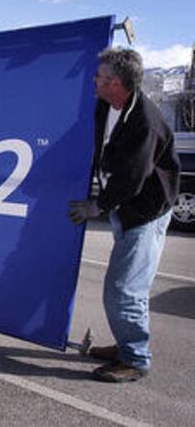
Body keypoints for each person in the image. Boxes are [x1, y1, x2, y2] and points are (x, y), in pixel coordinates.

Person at [68, 47, 180, 383]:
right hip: (124, 207)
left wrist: (96, 206)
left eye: (100, 77)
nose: (94, 81)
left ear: (116, 83)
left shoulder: (145, 122)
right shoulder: (107, 104)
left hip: (144, 213)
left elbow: (132, 178)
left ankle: (134, 358)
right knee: (126, 286)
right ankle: (125, 345)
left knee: (123, 288)